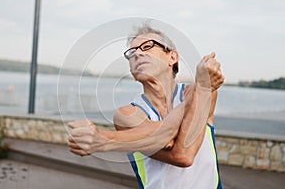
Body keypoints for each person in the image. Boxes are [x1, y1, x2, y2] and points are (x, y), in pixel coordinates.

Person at [68, 23, 224, 189]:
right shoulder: (127, 115)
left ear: (172, 57)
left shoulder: (204, 91)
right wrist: (198, 91)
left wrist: (105, 140)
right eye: (132, 52)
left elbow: (181, 150)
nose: (138, 53)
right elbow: (177, 151)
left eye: (147, 46)